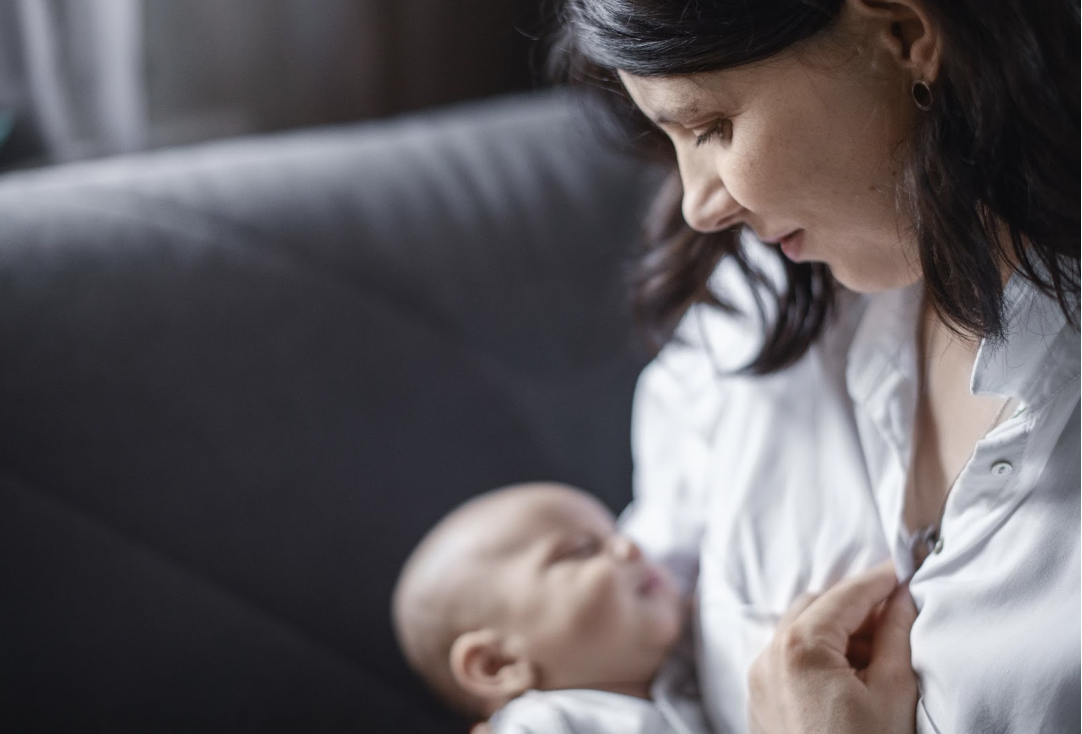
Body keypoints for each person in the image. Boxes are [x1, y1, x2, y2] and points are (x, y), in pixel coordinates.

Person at [548, 0, 1080, 732]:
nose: (700, 207)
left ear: (905, 35)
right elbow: (643, 632)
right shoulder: (761, 304)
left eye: (712, 127)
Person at [391, 482, 712, 733]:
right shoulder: (545, 722)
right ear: (497, 663)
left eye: (617, 533)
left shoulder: (686, 664)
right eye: (583, 549)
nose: (629, 547)